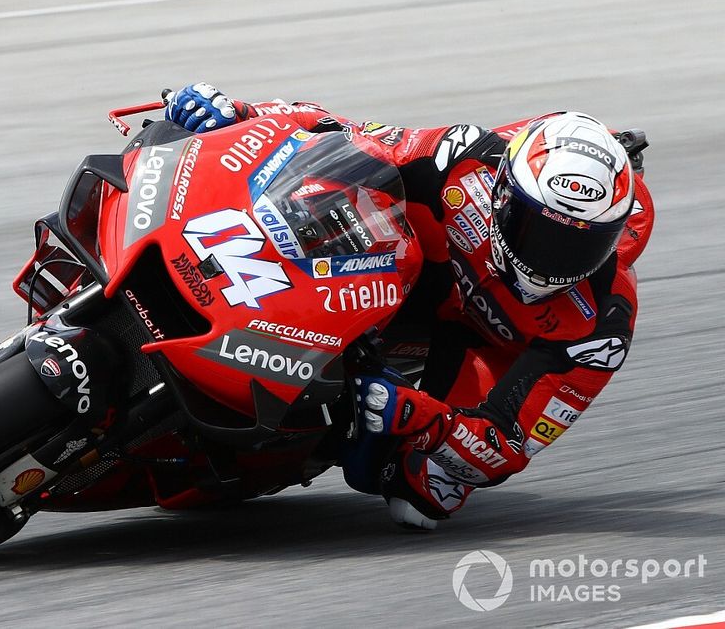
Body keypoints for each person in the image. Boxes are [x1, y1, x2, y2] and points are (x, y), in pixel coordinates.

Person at [163, 83, 655, 528]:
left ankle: (279, 447)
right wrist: (241, 113)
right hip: (414, 277)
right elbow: (340, 133)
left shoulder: (601, 324)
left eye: (580, 246)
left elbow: (505, 445)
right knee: (327, 193)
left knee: (419, 490)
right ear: (504, 192)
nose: (552, 257)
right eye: (539, 230)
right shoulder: (461, 159)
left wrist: (419, 417)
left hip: (482, 351)